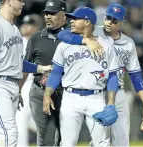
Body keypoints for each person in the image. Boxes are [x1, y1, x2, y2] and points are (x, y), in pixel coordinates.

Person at [57, 3, 143, 146]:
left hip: (118, 92)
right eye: (108, 18)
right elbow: (62, 34)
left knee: (122, 141)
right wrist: (85, 40)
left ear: (121, 22)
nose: (109, 22)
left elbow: (136, 76)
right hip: (98, 93)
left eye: (114, 20)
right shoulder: (94, 31)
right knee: (100, 141)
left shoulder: (128, 43)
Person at [0, 0, 51, 146]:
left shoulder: (14, 29)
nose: (23, 4)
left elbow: (18, 63)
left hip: (11, 84)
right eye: (20, 0)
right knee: (10, 133)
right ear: (8, 1)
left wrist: (40, 69)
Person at [43, 6, 120, 146]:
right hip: (70, 98)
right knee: (67, 143)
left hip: (96, 97)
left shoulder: (106, 44)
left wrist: (111, 103)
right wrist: (47, 95)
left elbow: (113, 75)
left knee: (102, 143)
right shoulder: (64, 44)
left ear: (87, 22)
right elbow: (55, 72)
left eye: (75, 19)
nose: (70, 21)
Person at [22, 0, 68, 145]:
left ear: (64, 16)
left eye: (53, 13)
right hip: (40, 92)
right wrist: (17, 90)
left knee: (64, 137)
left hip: (66, 93)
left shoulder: (73, 38)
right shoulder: (35, 38)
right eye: (46, 13)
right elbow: (25, 66)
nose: (48, 16)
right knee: (46, 138)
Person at [16, 14, 43, 146]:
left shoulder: (39, 42)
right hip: (20, 83)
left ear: (37, 27)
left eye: (30, 24)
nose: (26, 26)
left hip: (32, 82)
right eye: (24, 23)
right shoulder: (17, 41)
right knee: (24, 119)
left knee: (23, 118)